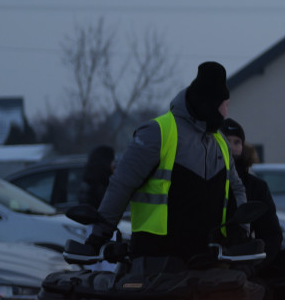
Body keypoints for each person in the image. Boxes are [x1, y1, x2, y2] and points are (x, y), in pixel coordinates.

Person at [90, 61, 247, 261]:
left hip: (209, 261)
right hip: (157, 259)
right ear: (212, 103)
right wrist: (99, 236)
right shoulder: (157, 132)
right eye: (226, 105)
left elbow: (237, 189)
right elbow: (122, 185)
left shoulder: (220, 142)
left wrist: (241, 232)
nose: (226, 113)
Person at [220, 118, 283, 265]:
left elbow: (271, 234)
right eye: (226, 140)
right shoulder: (205, 180)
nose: (231, 146)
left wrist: (254, 266)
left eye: (237, 142)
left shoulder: (256, 187)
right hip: (204, 263)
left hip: (242, 264)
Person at [78, 145, 115, 209]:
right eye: (112, 161)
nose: (114, 165)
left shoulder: (89, 182)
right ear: (106, 162)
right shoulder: (102, 185)